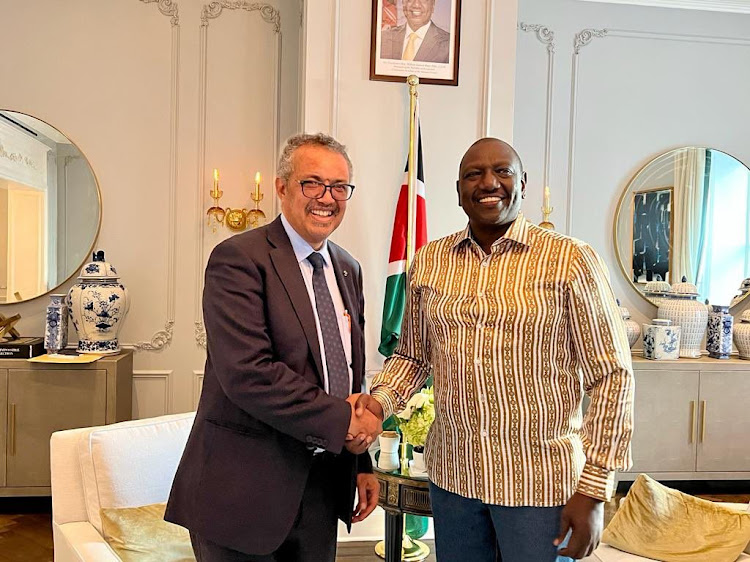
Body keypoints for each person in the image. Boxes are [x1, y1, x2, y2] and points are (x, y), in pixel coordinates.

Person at [354, 138, 635, 561]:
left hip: (540, 486)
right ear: (458, 189)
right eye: (474, 173)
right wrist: (377, 403)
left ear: (522, 182)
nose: (489, 182)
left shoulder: (572, 260)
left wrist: (594, 489)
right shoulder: (430, 261)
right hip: (454, 481)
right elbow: (412, 356)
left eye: (502, 171)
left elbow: (612, 375)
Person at [165, 133, 382, 562]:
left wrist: (359, 462)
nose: (327, 198)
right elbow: (248, 374)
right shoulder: (238, 259)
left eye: (339, 187)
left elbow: (346, 375)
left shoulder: (348, 268)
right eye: (312, 183)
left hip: (321, 492)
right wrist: (345, 422)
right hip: (243, 496)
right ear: (282, 188)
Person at [380, 0, 450, 64]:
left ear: (433, 6)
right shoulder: (382, 38)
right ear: (403, 4)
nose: (416, 5)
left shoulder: (449, 44)